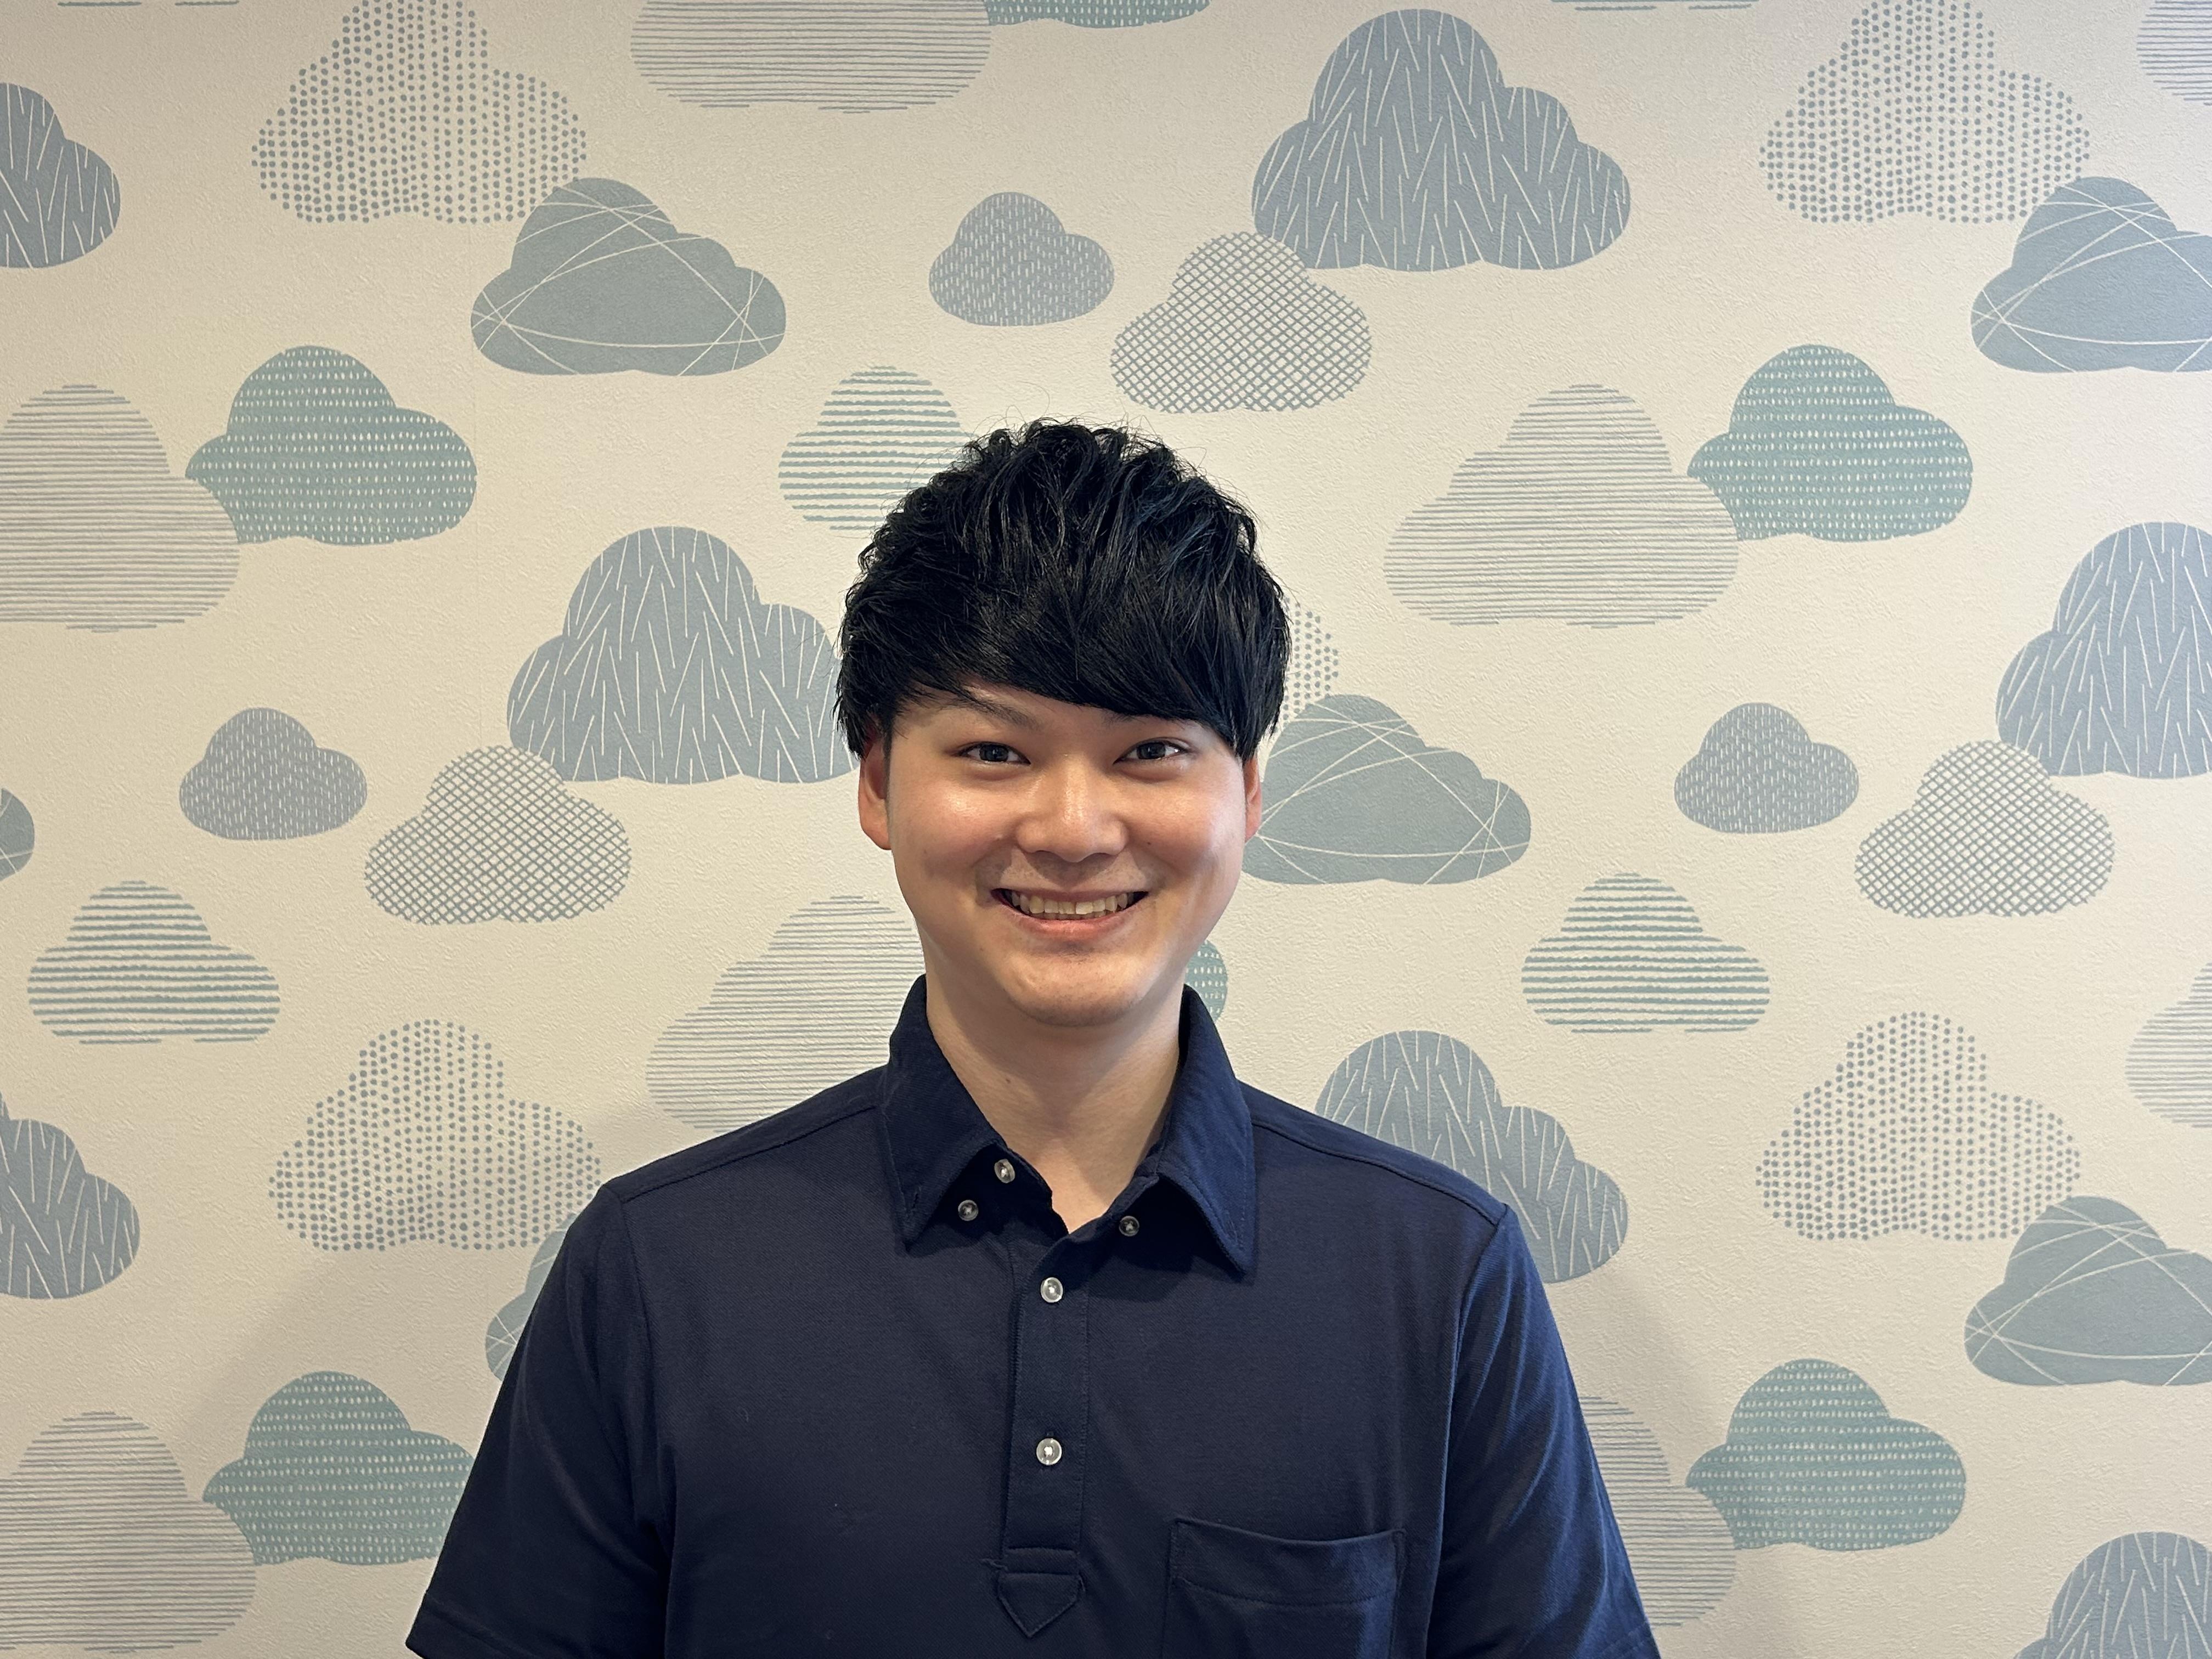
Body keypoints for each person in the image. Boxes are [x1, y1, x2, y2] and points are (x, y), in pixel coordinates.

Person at [404, 420, 1658, 1658]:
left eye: (1151, 750)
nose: (1072, 829)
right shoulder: (655, 1268)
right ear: (878, 782)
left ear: (1248, 792)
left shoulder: (1442, 1278)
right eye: (995, 751)